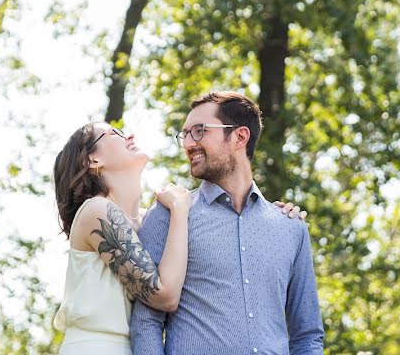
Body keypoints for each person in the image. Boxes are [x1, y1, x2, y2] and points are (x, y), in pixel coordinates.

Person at [52, 121, 306, 354]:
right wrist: (180, 209)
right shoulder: (97, 210)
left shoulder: (145, 220)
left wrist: (274, 217)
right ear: (92, 160)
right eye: (114, 133)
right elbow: (165, 295)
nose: (128, 134)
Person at [130, 91, 325, 355]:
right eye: (185, 134)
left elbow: (307, 335)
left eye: (199, 131)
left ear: (240, 137)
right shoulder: (169, 215)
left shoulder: (291, 228)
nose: (188, 144)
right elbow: (146, 321)